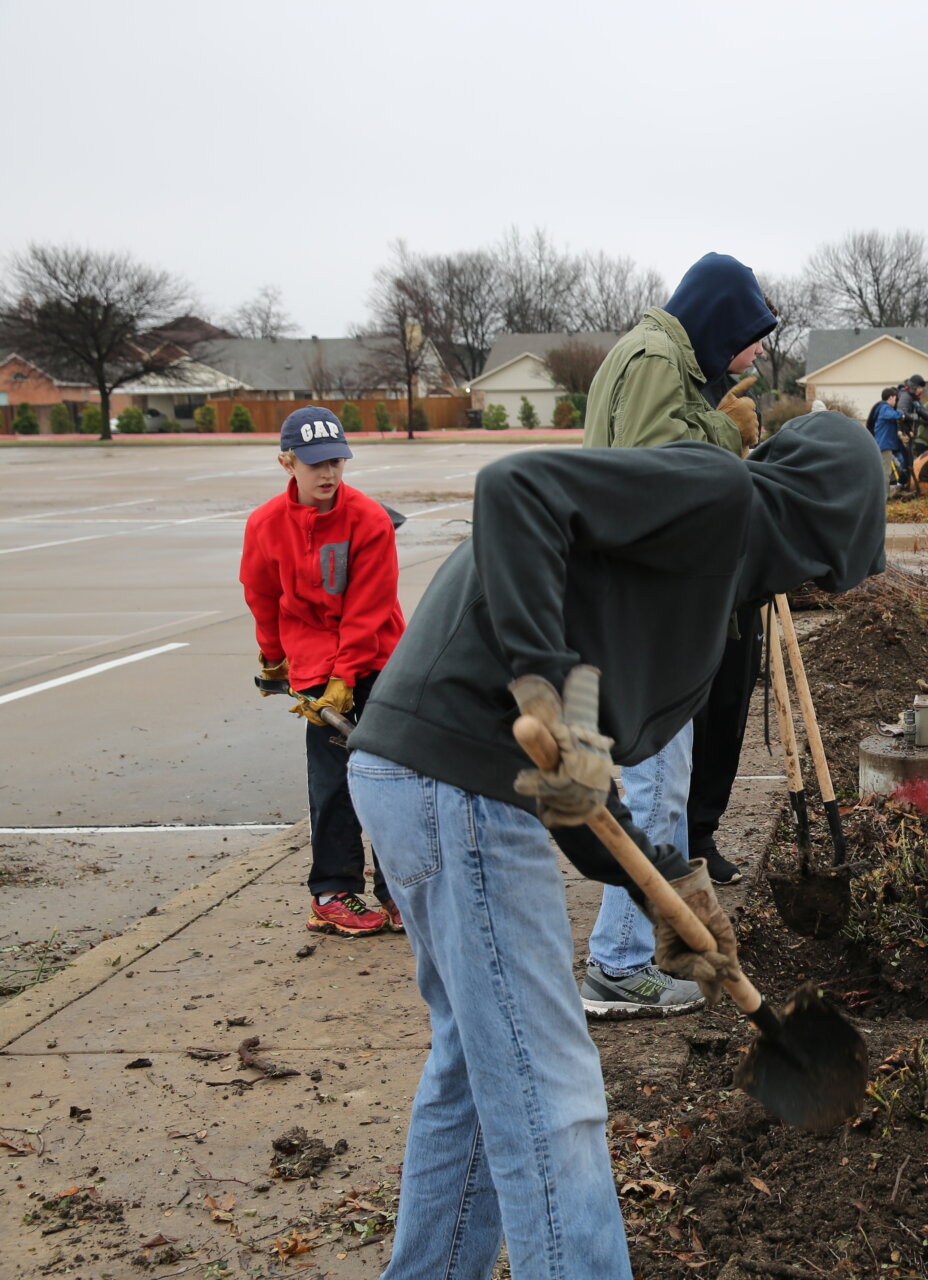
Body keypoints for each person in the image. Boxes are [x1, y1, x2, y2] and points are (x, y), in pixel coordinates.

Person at [345, 413, 887, 1274]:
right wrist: (549, 683)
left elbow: (577, 791)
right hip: (457, 784)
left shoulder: (707, 594)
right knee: (549, 1093)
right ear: (824, 516)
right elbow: (512, 490)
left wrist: (662, 885)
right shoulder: (719, 493)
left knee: (477, 1077)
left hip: (422, 779)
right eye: (827, 564)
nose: (818, 586)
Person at [578, 251, 776, 1017]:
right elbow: (660, 468)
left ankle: (628, 955)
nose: (753, 352)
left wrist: (713, 407)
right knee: (656, 793)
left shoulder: (658, 355)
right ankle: (620, 965)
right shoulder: (659, 354)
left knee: (659, 788)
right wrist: (725, 435)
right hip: (646, 604)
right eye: (749, 336)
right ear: (720, 319)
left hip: (645, 599)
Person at [240, 406, 406, 938]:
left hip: (376, 654)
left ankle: (399, 891)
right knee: (333, 779)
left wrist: (349, 674)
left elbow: (370, 604)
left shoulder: (368, 520)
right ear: (287, 462)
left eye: (336, 460)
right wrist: (273, 658)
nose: (329, 474)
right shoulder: (266, 524)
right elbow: (262, 595)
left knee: (388, 774)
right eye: (315, 464)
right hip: (312, 658)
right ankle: (333, 893)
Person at [873, 387, 911, 489]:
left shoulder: (882, 408)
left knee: (886, 470)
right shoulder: (885, 407)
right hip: (884, 445)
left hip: (883, 444)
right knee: (886, 472)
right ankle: (884, 499)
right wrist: (902, 414)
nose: (895, 401)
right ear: (890, 398)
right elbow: (891, 414)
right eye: (895, 398)